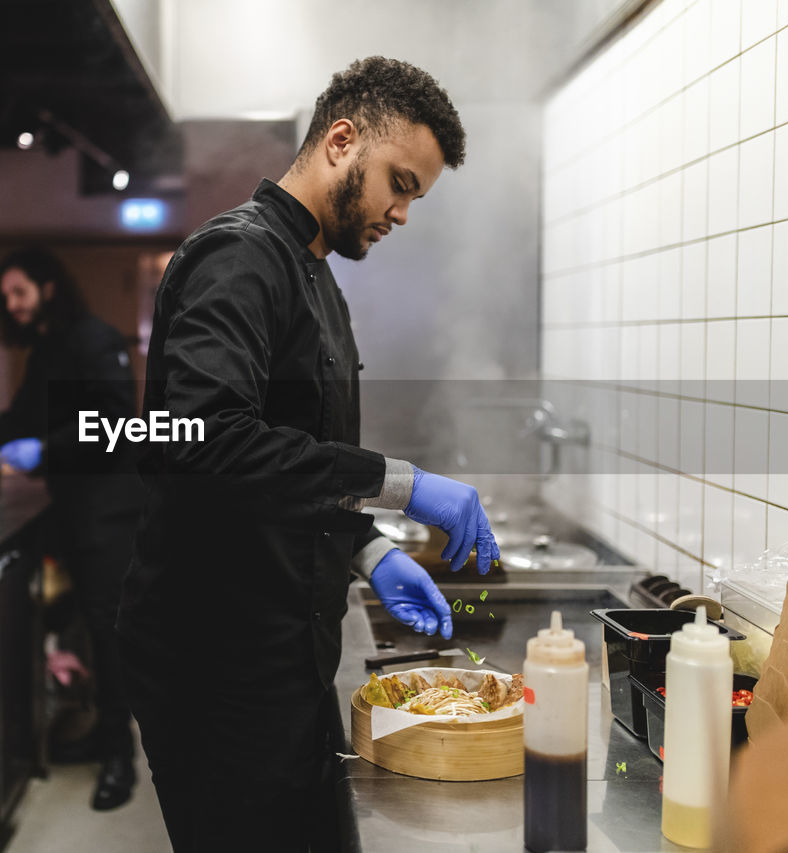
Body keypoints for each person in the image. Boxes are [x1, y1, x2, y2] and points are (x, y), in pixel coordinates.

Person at [115, 57, 500, 851]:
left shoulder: (317, 276)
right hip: (217, 669)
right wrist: (405, 485)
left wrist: (369, 548)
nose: (401, 212)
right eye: (399, 182)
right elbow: (210, 442)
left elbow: (293, 466)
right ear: (340, 139)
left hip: (285, 659)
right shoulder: (237, 260)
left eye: (415, 196)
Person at [0, 247, 144, 811]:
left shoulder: (95, 339)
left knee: (110, 636)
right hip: (74, 508)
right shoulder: (47, 347)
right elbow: (24, 414)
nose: (11, 305)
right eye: (5, 296)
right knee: (91, 625)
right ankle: (100, 734)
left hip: (110, 511)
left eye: (19, 293)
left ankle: (121, 759)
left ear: (48, 288)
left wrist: (46, 447)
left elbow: (120, 422)